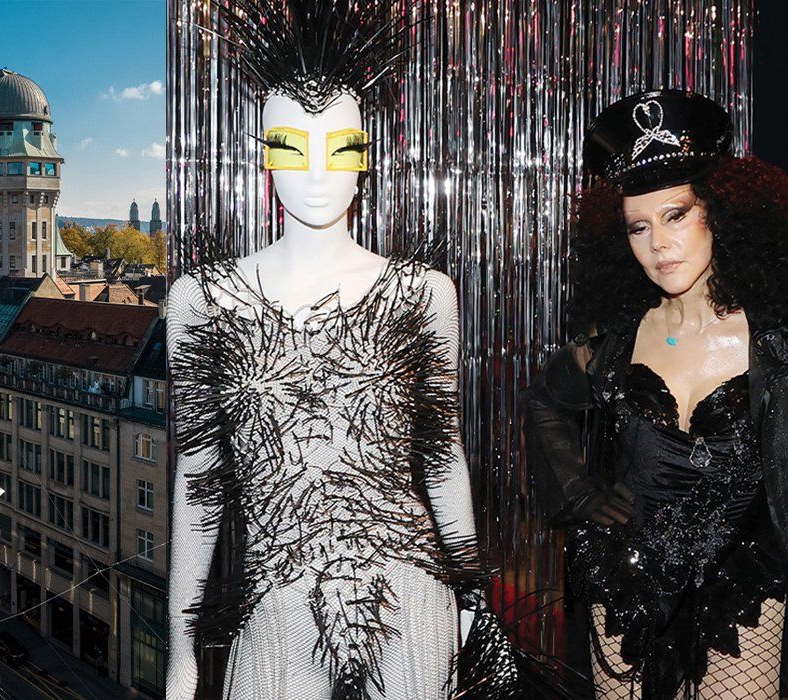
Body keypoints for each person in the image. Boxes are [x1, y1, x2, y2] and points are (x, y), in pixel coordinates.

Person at [165, 2, 490, 698]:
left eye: (339, 147)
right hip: (274, 602)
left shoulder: (423, 293)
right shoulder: (202, 298)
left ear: (365, 156)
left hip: (412, 590)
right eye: (290, 146)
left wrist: (471, 595)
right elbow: (199, 483)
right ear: (263, 157)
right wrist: (180, 646)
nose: (316, 173)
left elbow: (440, 458)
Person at [525, 89, 788, 698]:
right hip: (624, 572)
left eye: (676, 215)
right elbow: (546, 401)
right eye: (638, 226)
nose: (658, 244)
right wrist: (579, 490)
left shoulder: (773, 348)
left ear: (717, 212)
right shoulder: (615, 344)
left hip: (745, 578)